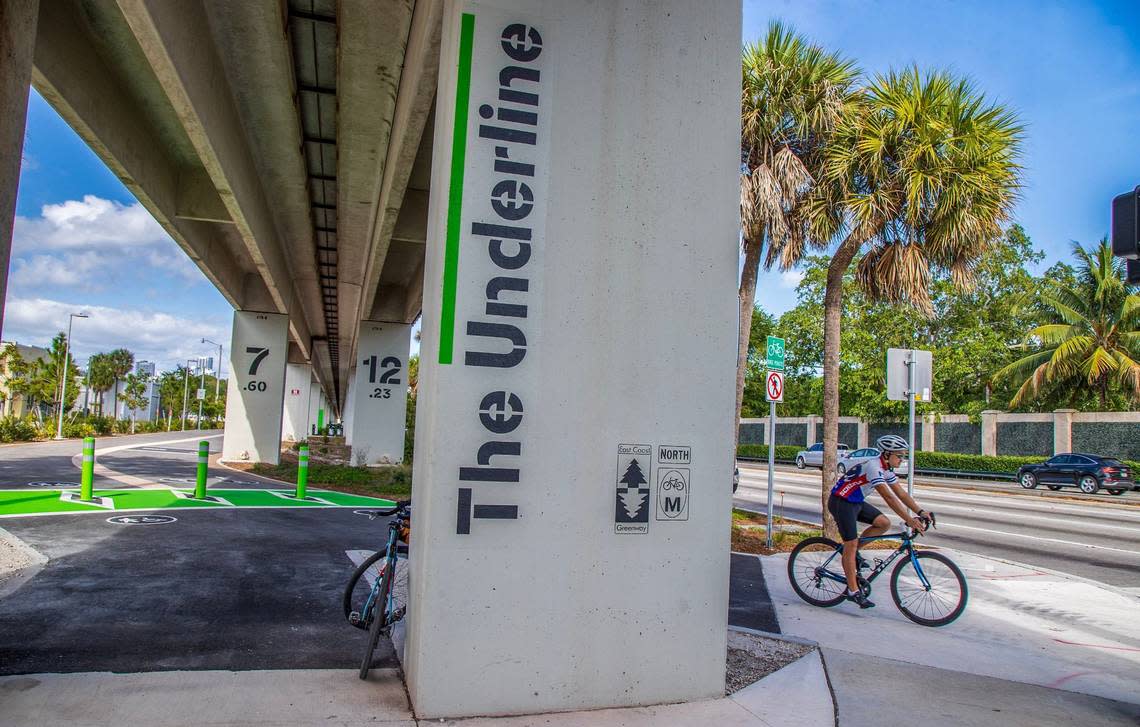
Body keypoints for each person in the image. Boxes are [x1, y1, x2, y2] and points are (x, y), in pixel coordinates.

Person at [828, 435, 933, 608]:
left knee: (884, 523)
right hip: (841, 502)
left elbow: (901, 494)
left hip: (855, 501)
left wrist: (921, 512)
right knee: (851, 544)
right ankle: (853, 591)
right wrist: (909, 520)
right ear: (886, 454)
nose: (902, 459)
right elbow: (889, 498)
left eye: (903, 456)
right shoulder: (873, 466)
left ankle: (853, 554)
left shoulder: (886, 469)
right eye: (899, 456)